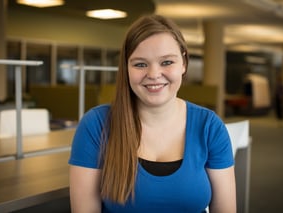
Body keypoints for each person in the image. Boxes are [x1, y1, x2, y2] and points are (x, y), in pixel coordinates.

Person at [69, 14, 236, 213]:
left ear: (183, 63)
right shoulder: (96, 124)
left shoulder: (209, 126)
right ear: (126, 68)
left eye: (166, 62)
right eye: (140, 64)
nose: (154, 74)